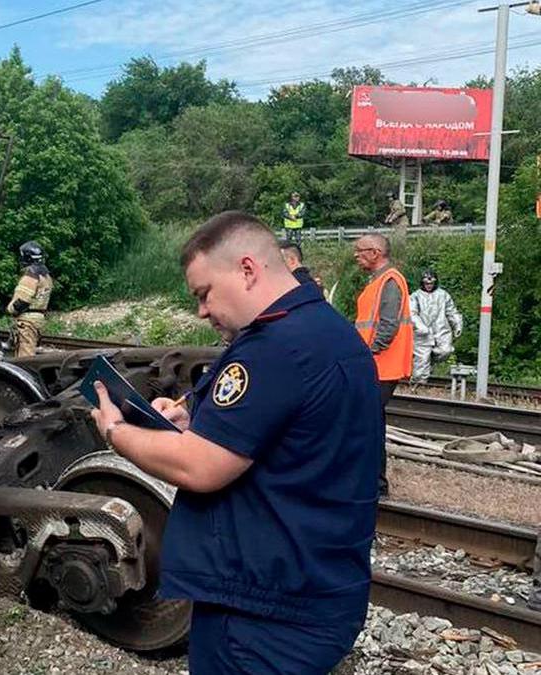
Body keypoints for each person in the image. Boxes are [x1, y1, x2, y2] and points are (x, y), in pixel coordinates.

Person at [90, 211, 381, 674]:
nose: (201, 311)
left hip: (262, 611)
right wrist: (194, 416)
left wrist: (115, 432)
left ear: (247, 270)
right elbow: (278, 429)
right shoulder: (327, 330)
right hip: (316, 589)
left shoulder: (274, 348)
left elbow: (199, 468)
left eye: (204, 294)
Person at [353, 233, 412, 496]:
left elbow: (387, 327)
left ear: (375, 253)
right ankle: (374, 482)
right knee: (370, 422)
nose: (356, 255)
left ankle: (376, 484)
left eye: (360, 251)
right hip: (376, 364)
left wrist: (366, 353)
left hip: (381, 365)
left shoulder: (389, 281)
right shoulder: (381, 281)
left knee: (368, 423)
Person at [409, 269, 462, 383]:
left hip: (441, 330)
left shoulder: (443, 295)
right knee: (421, 359)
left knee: (446, 351)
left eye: (431, 283)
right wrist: (420, 327)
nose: (429, 285)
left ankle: (430, 360)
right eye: (426, 283)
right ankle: (419, 384)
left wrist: (457, 324)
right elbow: (411, 313)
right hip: (422, 333)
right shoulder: (415, 296)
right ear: (422, 283)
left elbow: (451, 311)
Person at [6, 241, 53, 358]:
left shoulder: (30, 276)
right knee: (31, 349)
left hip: (27, 321)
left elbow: (23, 301)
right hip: (39, 318)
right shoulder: (46, 276)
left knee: (25, 357)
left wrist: (10, 310)